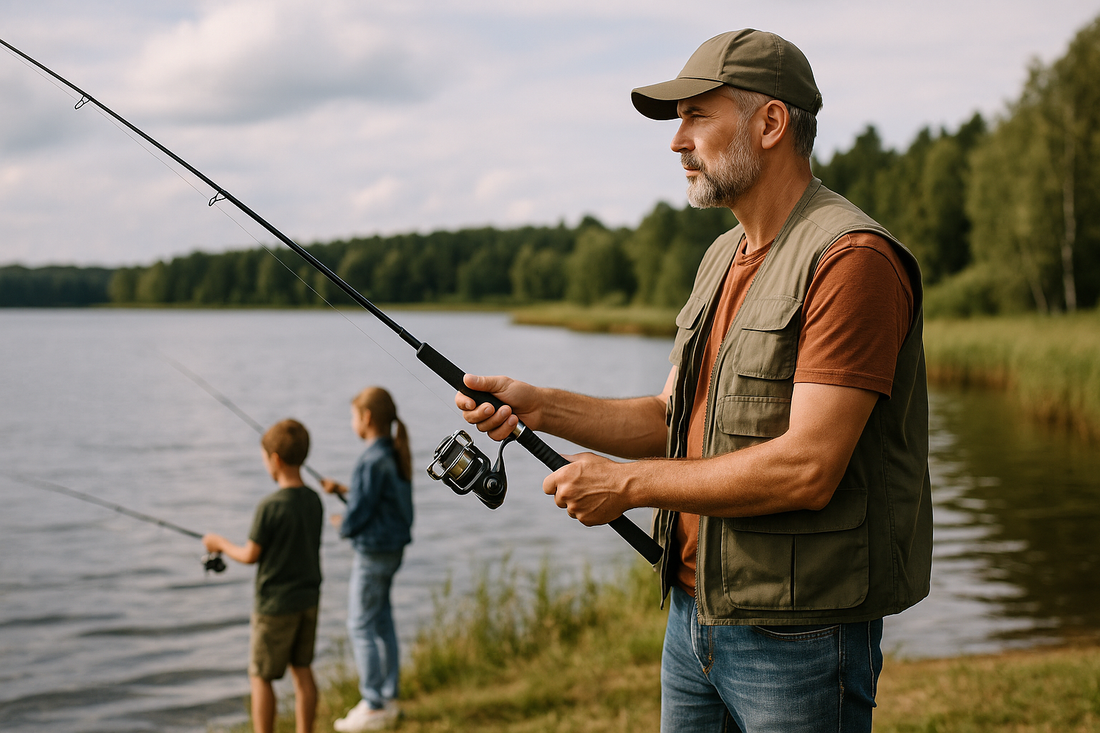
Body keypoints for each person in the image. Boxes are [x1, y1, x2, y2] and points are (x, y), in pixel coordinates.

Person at [457, 29, 932, 733]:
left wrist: (626, 484)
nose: (677, 142)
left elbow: (808, 467)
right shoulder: (721, 255)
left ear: (770, 123)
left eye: (695, 116)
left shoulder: (850, 258)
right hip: (691, 616)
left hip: (800, 636)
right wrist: (539, 405)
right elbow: (670, 417)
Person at [202, 418, 323, 733]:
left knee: (260, 677)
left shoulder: (270, 505)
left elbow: (249, 555)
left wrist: (219, 543)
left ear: (275, 460)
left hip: (275, 606)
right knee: (303, 671)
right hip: (309, 599)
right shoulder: (314, 500)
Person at [322, 386, 414, 732]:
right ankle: (388, 695)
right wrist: (343, 490)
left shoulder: (370, 459)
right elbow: (376, 497)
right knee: (382, 620)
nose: (351, 422)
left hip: (373, 553)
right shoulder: (392, 452)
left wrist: (340, 525)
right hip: (393, 550)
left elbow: (358, 515)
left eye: (352, 416)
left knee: (360, 624)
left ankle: (373, 704)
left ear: (366, 417)